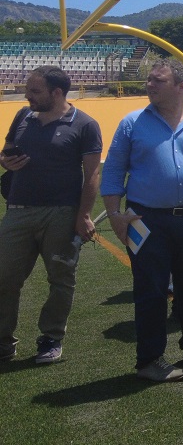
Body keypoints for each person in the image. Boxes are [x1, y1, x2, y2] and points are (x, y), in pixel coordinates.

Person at [101, 59, 183, 382]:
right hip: (145, 221)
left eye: (157, 81)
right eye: (148, 80)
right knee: (151, 289)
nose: (149, 85)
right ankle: (150, 359)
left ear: (181, 87)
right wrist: (116, 216)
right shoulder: (132, 123)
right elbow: (113, 172)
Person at [0, 66, 102, 364]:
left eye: (35, 91)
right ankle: (4, 341)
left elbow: (93, 173)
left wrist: (84, 215)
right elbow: (6, 151)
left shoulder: (84, 124)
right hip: (18, 211)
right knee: (4, 278)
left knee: (60, 279)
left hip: (61, 213)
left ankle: (51, 338)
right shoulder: (22, 116)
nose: (27, 96)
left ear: (56, 93)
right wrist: (6, 161)